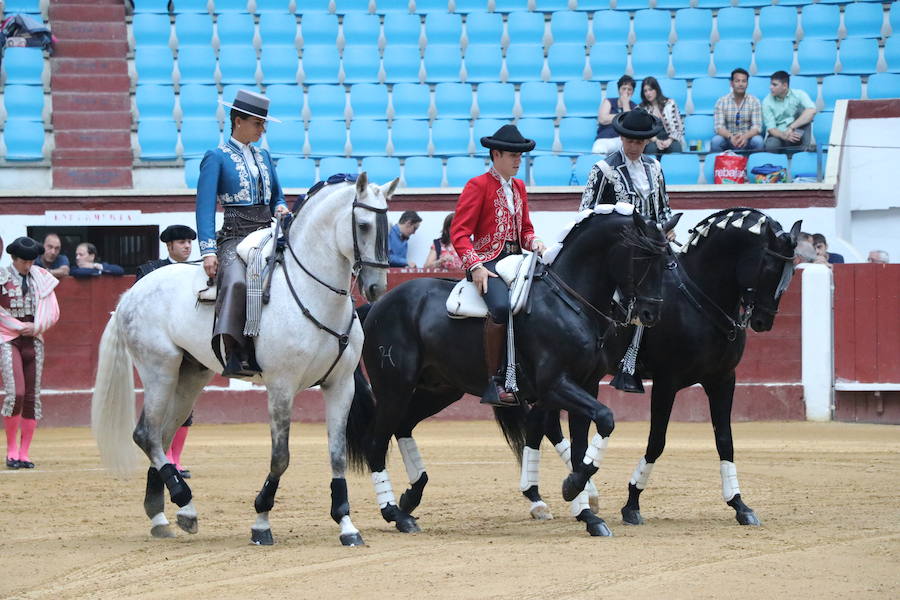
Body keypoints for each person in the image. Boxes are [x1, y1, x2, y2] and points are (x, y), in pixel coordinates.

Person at [579, 108, 675, 394]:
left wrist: (668, 229)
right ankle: (622, 361)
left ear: (647, 141)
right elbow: (587, 215)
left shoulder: (655, 168)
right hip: (617, 255)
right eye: (629, 140)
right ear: (621, 137)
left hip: (653, 251)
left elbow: (663, 209)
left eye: (640, 141)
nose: (634, 145)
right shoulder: (604, 170)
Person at [451, 124, 546, 408]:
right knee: (501, 308)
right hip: (488, 263)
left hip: (518, 261)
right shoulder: (477, 185)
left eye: (521, 155)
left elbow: (525, 230)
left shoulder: (519, 186)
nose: (519, 160)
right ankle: (494, 382)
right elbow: (459, 233)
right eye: (513, 155)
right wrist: (476, 266)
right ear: (496, 154)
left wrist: (536, 242)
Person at [196, 89, 288, 377]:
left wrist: (282, 208)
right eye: (258, 123)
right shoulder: (216, 157)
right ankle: (235, 350)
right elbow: (205, 206)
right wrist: (208, 250)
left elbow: (278, 198)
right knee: (236, 281)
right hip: (235, 234)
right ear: (238, 121)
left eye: (263, 124)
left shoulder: (264, 157)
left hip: (267, 231)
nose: (262, 130)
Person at [135, 224, 198, 478]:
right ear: (169, 246)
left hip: (189, 345)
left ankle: (175, 458)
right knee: (161, 400)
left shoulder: (197, 271)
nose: (187, 246)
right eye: (181, 242)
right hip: (160, 346)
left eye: (189, 242)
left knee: (185, 402)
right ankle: (162, 455)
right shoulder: (149, 271)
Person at [1, 237, 60, 469]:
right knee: (16, 393)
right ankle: (11, 450)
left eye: (31, 260)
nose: (28, 265)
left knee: (31, 397)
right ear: (14, 259)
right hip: (8, 339)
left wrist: (34, 328)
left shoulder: (41, 279)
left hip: (34, 339)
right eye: (24, 261)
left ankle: (24, 453)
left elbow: (53, 311)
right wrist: (18, 326)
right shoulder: (1, 278)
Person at [711, 68, 764, 153]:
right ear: (731, 83)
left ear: (747, 83)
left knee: (758, 140)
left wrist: (745, 137)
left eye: (744, 81)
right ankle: (720, 165)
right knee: (716, 140)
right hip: (728, 139)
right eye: (737, 81)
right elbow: (719, 127)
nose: (741, 84)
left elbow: (757, 127)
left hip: (747, 139)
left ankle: (756, 165)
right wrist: (731, 137)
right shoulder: (721, 101)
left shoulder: (754, 101)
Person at [763, 71, 816, 154]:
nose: (770, 87)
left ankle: (806, 149)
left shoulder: (799, 94)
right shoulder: (767, 101)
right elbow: (771, 129)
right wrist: (784, 135)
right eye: (771, 84)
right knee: (771, 145)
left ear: (784, 86)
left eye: (774, 85)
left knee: (804, 112)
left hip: (796, 132)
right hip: (779, 135)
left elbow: (812, 111)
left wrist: (791, 127)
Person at [639, 76, 685, 156]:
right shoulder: (641, 108)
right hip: (651, 139)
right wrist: (656, 140)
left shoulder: (670, 103)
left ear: (656, 89)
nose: (648, 93)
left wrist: (670, 140)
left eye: (650, 89)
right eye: (645, 91)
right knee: (651, 149)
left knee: (676, 148)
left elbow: (679, 127)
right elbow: (642, 130)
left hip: (670, 137)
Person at [592, 74, 637, 156]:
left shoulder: (634, 107)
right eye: (624, 88)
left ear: (632, 92)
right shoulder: (609, 102)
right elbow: (602, 119)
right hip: (605, 138)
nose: (626, 91)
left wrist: (625, 104)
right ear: (619, 90)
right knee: (598, 149)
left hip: (623, 140)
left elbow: (629, 125)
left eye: (629, 89)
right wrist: (622, 117)